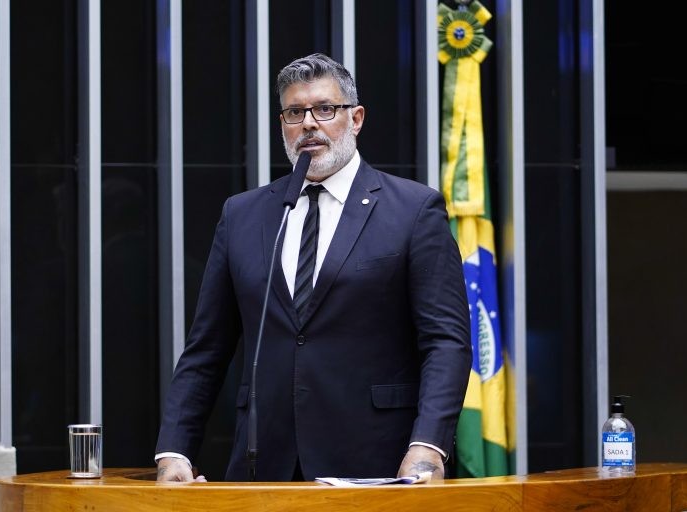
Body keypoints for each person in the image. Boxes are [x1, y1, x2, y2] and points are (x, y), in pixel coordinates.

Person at [155, 53, 471, 482]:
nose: (308, 124)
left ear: (356, 119)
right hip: (263, 464)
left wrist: (428, 447)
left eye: (325, 109)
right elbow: (205, 351)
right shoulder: (243, 214)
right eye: (294, 112)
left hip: (377, 462)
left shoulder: (413, 210)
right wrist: (174, 450)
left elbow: (446, 341)